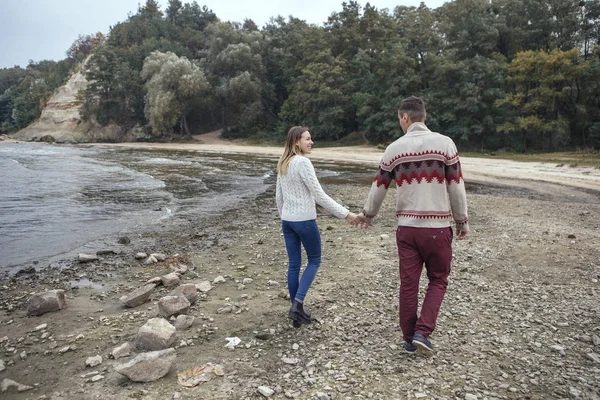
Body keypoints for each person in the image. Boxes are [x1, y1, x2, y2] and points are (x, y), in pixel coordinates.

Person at [354, 96, 469, 353]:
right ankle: (423, 331)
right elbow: (456, 188)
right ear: (424, 116)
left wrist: (367, 215)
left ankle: (409, 337)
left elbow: (379, 187)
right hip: (438, 228)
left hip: (407, 229)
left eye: (399, 119)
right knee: (438, 279)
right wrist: (462, 222)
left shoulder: (393, 149)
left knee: (409, 283)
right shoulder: (445, 144)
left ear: (405, 117)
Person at [276, 126, 358, 326]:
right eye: (307, 139)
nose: (311, 142)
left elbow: (279, 197)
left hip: (288, 221)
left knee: (294, 264)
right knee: (314, 260)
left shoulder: (283, 163)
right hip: (304, 221)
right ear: (296, 141)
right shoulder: (303, 162)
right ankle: (297, 304)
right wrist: (346, 214)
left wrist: (285, 217)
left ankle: (296, 313)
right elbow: (320, 195)